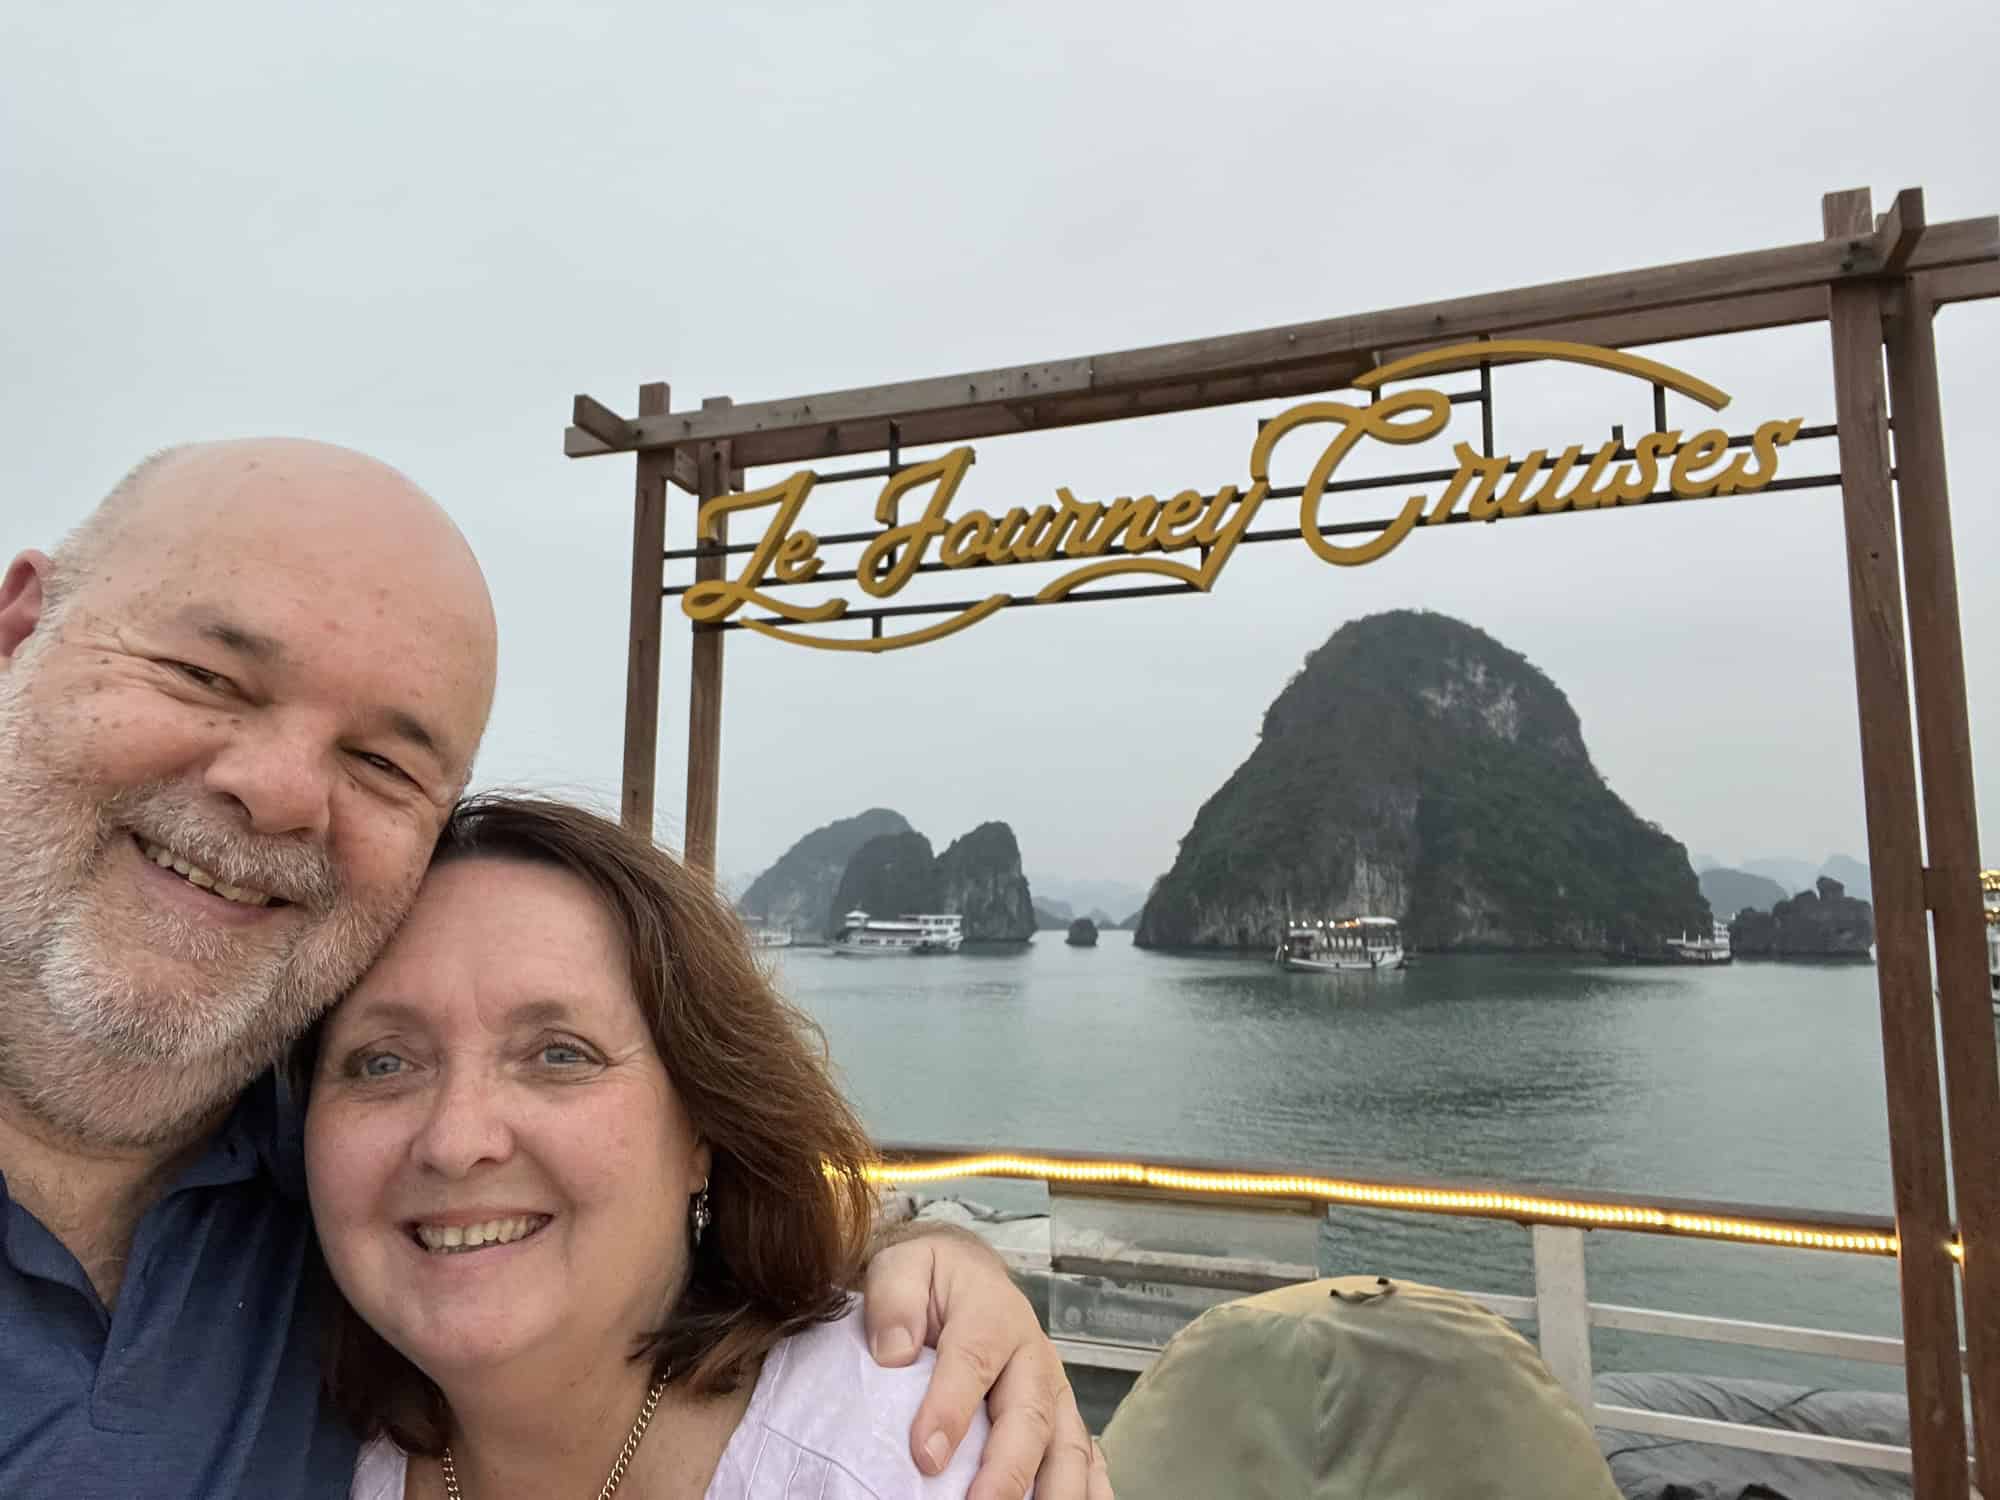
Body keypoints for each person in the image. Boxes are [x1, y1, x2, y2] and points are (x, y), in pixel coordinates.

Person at [0, 440, 1106, 1499]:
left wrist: (923, 1274)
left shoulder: (318, 1179)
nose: (282, 790)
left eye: (383, 762)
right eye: (207, 674)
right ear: (19, 634)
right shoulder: (359, 1219)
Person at [307, 791, 992, 1498]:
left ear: (702, 1127)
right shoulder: (290, 1432)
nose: (455, 1140)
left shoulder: (906, 1462)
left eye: (560, 1055)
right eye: (383, 1063)